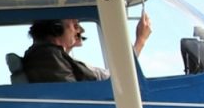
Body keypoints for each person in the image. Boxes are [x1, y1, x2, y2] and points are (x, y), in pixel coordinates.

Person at [21, 13, 152, 84]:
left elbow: (109, 77)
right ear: (56, 29)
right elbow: (71, 95)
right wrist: (140, 41)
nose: (81, 30)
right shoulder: (47, 57)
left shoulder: (56, 57)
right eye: (74, 25)